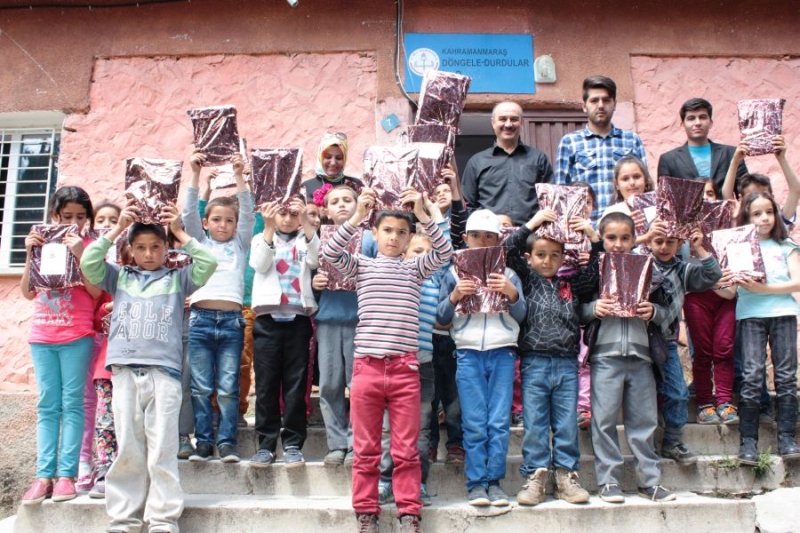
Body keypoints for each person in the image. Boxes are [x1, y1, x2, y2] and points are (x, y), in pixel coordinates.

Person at [80, 201, 218, 533]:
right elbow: (88, 262)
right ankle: (125, 518)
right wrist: (116, 229)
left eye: (156, 246)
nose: (148, 253)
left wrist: (181, 233)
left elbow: (209, 261)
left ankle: (163, 518)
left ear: (166, 249)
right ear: (129, 249)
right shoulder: (119, 277)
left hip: (164, 374)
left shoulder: (179, 279)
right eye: (140, 247)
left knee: (162, 448)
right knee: (128, 447)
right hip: (125, 373)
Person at [322, 187, 452, 533]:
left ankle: (409, 512)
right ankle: (366, 513)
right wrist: (357, 216)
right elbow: (331, 251)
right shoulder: (361, 266)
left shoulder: (416, 270)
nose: (394, 238)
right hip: (366, 368)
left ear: (410, 237)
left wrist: (424, 214)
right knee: (365, 449)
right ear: (375, 233)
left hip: (405, 369)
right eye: (387, 231)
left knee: (406, 449)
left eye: (402, 232)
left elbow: (445, 251)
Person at [503, 207, 598, 506]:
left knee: (567, 423)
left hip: (568, 364)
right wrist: (532, 223)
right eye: (541, 254)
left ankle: (566, 476)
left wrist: (593, 239)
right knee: (535, 423)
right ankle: (535, 477)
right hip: (534, 363)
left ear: (563, 258)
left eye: (555, 255)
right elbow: (507, 250)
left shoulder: (571, 284)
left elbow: (598, 270)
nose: (548, 260)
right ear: (530, 258)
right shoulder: (526, 280)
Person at [580, 211, 675, 503]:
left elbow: (668, 312)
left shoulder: (650, 272)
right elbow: (577, 308)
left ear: (636, 240)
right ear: (602, 239)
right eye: (611, 238)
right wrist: (593, 308)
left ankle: (651, 482)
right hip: (606, 356)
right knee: (604, 420)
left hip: (641, 357)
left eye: (625, 238)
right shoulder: (592, 272)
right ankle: (608, 482)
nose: (618, 244)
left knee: (644, 421)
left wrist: (654, 313)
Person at [436, 209, 525, 507]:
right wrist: (454, 296)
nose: (482, 241)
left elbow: (523, 315)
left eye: (490, 237)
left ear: (500, 241)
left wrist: (512, 294)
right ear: (465, 239)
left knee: (498, 421)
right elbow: (441, 318)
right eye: (476, 236)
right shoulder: (452, 274)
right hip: (468, 354)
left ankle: (495, 482)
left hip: (502, 353)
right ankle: (476, 484)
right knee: (474, 421)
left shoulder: (509, 274)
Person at [20, 186, 102, 505]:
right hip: (42, 335)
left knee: (73, 403)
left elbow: (97, 292)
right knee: (47, 405)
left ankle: (67, 475)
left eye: (81, 217)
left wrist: (81, 253)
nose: (74, 222)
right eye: (67, 216)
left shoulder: (89, 244)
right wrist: (30, 254)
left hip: (77, 335)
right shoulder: (40, 242)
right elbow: (28, 292)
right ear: (55, 215)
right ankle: (43, 476)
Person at [182, 151, 255, 463]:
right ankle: (203, 442)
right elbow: (186, 216)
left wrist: (240, 176)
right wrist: (195, 175)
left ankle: (226, 444)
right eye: (216, 220)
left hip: (231, 322)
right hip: (199, 320)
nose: (223, 225)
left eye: (229, 220)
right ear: (205, 223)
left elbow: (249, 214)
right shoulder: (199, 243)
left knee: (227, 387)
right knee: (200, 387)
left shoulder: (240, 244)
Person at [725, 192, 800, 463]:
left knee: (786, 376)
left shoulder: (785, 244)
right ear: (746, 217)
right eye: (756, 213)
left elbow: (797, 282)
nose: (764, 218)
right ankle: (748, 443)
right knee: (752, 375)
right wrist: (716, 280)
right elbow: (729, 292)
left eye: (769, 211)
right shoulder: (738, 249)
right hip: (750, 315)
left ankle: (788, 438)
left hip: (783, 313)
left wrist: (764, 288)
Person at [378, 224, 448, 508]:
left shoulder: (434, 283)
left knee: (420, 431)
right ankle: (385, 481)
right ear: (405, 253)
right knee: (387, 429)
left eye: (428, 254)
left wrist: (427, 215)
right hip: (390, 364)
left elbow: (446, 253)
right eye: (418, 251)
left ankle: (416, 482)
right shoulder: (393, 278)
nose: (423, 257)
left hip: (422, 366)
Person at [249, 196, 319, 468]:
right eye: (282, 214)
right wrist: (267, 227)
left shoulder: (305, 240)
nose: (288, 219)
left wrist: (307, 223)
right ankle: (265, 445)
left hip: (298, 320)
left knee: (295, 385)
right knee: (266, 385)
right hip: (267, 321)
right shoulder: (260, 238)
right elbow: (259, 264)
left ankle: (292, 444)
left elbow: (314, 260)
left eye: (293, 214)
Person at [648, 229, 722, 464]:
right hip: (640, 341)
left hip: (667, 341)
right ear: (649, 241)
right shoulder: (641, 264)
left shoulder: (682, 269)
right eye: (658, 241)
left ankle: (672, 440)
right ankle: (644, 443)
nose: (664, 247)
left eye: (670, 242)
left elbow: (712, 275)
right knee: (643, 395)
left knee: (678, 393)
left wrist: (699, 248)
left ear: (680, 243)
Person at [311, 185, 361, 466]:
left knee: (359, 387)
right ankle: (336, 444)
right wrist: (314, 283)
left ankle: (356, 443)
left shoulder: (369, 238)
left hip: (360, 321)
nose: (341, 205)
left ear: (358, 204)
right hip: (328, 319)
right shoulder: (317, 239)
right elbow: (307, 272)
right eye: (335, 201)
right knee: (330, 384)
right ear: (325, 210)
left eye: (347, 200)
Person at [682, 181, 739, 425]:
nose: (706, 200)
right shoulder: (683, 232)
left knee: (724, 349)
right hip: (696, 298)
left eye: (710, 194)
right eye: (700, 196)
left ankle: (724, 402)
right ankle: (705, 402)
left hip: (726, 298)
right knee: (703, 352)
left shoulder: (730, 230)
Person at [554, 75, 647, 223]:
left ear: (614, 104)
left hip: (625, 231)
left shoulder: (632, 140)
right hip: (586, 230)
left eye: (606, 100)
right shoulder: (569, 142)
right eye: (594, 100)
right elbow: (560, 192)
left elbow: (645, 188)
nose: (601, 105)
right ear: (584, 106)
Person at [461, 101, 554, 225]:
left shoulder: (538, 158)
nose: (508, 124)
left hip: (531, 235)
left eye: (514, 119)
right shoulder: (477, 161)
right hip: (490, 235)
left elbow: (550, 201)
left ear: (522, 122)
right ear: (493, 123)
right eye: (503, 119)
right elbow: (468, 204)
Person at [86, 201, 122, 499]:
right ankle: (104, 471)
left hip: (139, 364)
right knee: (106, 421)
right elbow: (98, 318)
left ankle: (131, 472)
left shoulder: (141, 275)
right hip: (108, 366)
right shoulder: (108, 278)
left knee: (134, 422)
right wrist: (112, 307)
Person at [657, 97, 749, 197]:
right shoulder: (668, 160)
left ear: (711, 123)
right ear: (682, 125)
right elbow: (664, 200)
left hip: (726, 211)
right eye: (691, 118)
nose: (697, 123)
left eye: (703, 117)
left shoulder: (731, 154)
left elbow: (745, 192)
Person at [600, 155, 666, 247]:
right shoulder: (612, 212)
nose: (632, 183)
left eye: (636, 177)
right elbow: (605, 247)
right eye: (625, 179)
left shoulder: (662, 206)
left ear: (646, 180)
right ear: (617, 185)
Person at [303, 132, 363, 202]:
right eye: (328, 157)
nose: (333, 163)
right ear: (320, 158)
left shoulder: (355, 184)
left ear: (345, 159)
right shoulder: (306, 187)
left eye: (339, 158)